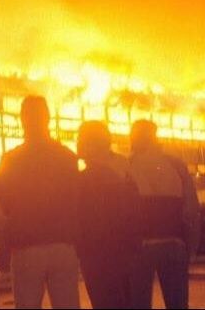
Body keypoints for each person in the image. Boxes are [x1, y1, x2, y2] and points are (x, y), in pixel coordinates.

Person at [0, 95, 80, 309]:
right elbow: (77, 197)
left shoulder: (11, 159)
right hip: (63, 244)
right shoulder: (67, 156)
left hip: (27, 245)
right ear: (48, 118)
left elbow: (2, 197)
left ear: (22, 119)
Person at [129, 120, 200, 309]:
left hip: (139, 248)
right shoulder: (175, 165)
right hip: (174, 245)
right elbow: (191, 210)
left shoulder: (128, 166)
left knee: (138, 303)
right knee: (177, 304)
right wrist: (191, 247)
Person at [76, 121, 141, 309]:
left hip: (97, 258)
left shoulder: (86, 179)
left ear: (91, 145)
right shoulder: (122, 174)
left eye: (80, 139)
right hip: (121, 256)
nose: (77, 144)